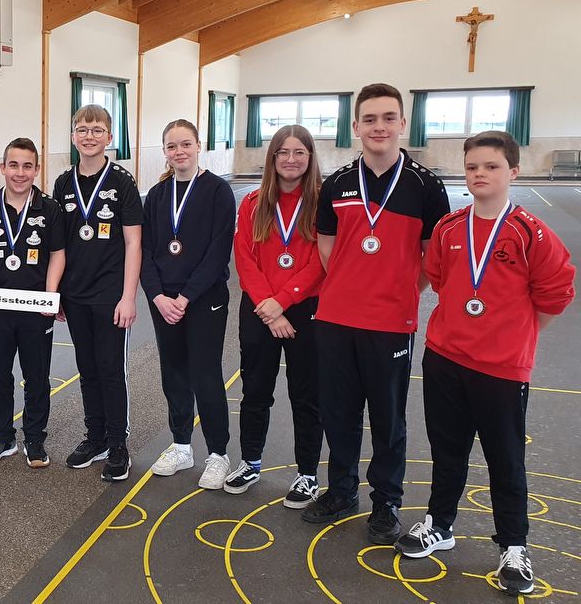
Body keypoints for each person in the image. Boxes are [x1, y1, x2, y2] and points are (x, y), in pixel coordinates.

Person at [395, 131, 574, 595]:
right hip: (445, 358)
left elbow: (555, 295)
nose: (480, 174)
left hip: (501, 369)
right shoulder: (449, 228)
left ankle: (513, 545)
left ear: (513, 171)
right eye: (472, 166)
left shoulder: (531, 232)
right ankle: (440, 523)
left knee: (505, 459)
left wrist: (515, 334)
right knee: (446, 451)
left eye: (491, 166)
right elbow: (438, 278)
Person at [301, 83, 450, 545]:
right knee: (338, 412)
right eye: (369, 119)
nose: (379, 127)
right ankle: (341, 490)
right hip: (336, 319)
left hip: (391, 322)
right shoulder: (337, 183)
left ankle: (386, 500)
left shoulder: (426, 186)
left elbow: (432, 258)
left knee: (388, 418)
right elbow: (327, 247)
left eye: (388, 118)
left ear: (402, 123)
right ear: (356, 126)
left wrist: (398, 291)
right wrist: (352, 285)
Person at [224, 125, 324, 508]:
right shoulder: (253, 202)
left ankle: (307, 474)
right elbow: (244, 258)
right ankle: (250, 462)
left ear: (310, 158)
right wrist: (269, 305)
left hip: (305, 309)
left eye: (299, 152)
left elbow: (321, 262)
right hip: (260, 309)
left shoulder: (321, 202)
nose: (290, 159)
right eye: (283, 152)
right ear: (273, 158)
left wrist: (282, 301)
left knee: (306, 395)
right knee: (255, 391)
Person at [140, 119, 236, 489]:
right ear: (164, 151)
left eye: (185, 144)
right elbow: (147, 251)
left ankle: (218, 454)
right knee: (174, 373)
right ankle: (181, 446)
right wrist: (158, 296)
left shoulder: (217, 191)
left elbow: (218, 251)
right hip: (164, 302)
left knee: (205, 374)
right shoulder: (157, 195)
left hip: (203, 299)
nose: (179, 151)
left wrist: (185, 297)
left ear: (198, 145)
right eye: (171, 146)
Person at [52, 105, 143, 482]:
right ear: (73, 136)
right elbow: (58, 245)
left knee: (110, 369)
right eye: (82, 129)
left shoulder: (122, 182)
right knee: (87, 369)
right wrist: (56, 292)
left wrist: (128, 296)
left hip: (110, 294)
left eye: (97, 130)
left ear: (110, 137)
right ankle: (96, 437)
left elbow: (134, 243)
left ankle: (118, 443)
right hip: (75, 294)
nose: (89, 136)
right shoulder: (62, 183)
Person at [0, 138, 65, 466]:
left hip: (36, 310)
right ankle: (2, 437)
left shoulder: (50, 209)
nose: (20, 173)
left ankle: (35, 439)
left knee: (36, 377)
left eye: (27, 166)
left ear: (37, 169)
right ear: (2, 168)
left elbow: (57, 254)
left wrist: (50, 294)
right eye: (13, 165)